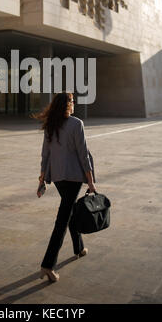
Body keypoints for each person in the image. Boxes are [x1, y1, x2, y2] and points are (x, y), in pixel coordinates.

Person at [33, 92, 96, 283]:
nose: (74, 103)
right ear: (67, 105)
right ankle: (48, 265)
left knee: (68, 211)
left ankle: (79, 248)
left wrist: (42, 179)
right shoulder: (77, 124)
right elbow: (83, 154)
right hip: (74, 177)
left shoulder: (51, 125)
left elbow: (45, 155)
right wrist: (91, 181)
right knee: (62, 220)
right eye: (72, 101)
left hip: (58, 177)